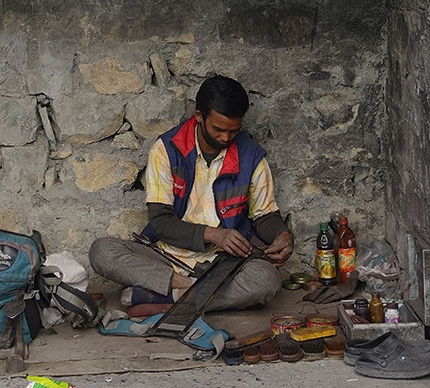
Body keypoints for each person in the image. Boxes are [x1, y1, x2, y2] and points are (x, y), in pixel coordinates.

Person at [89, 75, 294, 311]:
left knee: (266, 280)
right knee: (102, 251)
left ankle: (169, 299)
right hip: (166, 259)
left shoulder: (252, 157)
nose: (225, 138)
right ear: (199, 116)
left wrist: (283, 235)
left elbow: (264, 216)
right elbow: (160, 223)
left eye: (234, 131)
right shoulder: (166, 150)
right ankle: (192, 291)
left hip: (225, 264)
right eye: (218, 129)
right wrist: (214, 234)